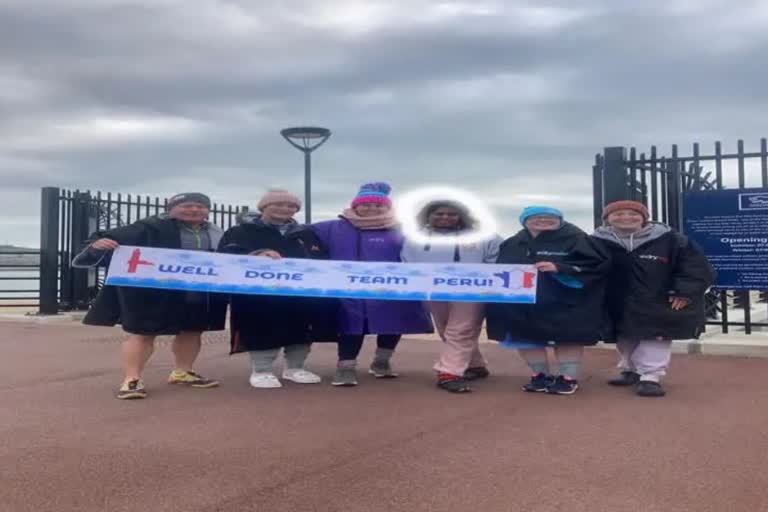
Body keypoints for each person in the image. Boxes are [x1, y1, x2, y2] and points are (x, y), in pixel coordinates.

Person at [72, 192, 226, 400]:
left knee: (192, 331)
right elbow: (105, 239)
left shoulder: (216, 231)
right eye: (187, 205)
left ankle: (183, 372)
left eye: (200, 206)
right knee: (142, 333)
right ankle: (132, 379)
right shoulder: (149, 226)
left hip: (197, 291)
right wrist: (98, 245)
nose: (194, 210)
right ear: (171, 208)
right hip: (153, 291)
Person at [311, 182, 433, 386]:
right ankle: (346, 367)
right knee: (350, 326)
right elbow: (296, 236)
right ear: (355, 205)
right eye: (366, 204)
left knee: (394, 324)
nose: (372, 209)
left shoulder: (403, 230)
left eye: (378, 205)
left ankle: (381, 362)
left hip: (394, 286)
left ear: (388, 207)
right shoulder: (331, 228)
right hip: (348, 288)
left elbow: (426, 250)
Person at [593, 200, 715, 397]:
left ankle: (650, 377)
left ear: (644, 217)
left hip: (659, 298)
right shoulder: (596, 241)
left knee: (656, 337)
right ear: (608, 219)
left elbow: (695, 267)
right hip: (615, 299)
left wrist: (683, 292)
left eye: (633, 213)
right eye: (618, 214)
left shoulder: (672, 240)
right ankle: (631, 370)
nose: (626, 217)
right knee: (624, 337)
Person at [218, 189, 337, 389]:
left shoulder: (306, 233)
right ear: (264, 207)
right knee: (261, 327)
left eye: (291, 206)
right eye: (279, 204)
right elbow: (225, 256)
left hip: (300, 294)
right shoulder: (239, 231)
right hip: (258, 294)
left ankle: (295, 368)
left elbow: (321, 259)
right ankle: (261, 370)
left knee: (301, 329)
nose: (285, 209)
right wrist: (256, 254)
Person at [485, 206, 610, 395]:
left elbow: (599, 264)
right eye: (536, 217)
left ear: (560, 220)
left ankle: (568, 378)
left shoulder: (578, 238)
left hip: (566, 300)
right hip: (523, 302)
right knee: (526, 338)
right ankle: (539, 375)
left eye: (549, 217)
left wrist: (560, 267)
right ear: (524, 221)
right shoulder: (512, 242)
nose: (543, 220)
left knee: (568, 338)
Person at [401, 200, 501, 393]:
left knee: (461, 329)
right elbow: (408, 263)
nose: (445, 217)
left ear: (461, 216)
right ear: (428, 215)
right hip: (432, 289)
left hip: (472, 291)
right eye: (439, 213)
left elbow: (498, 260)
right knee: (446, 329)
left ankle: (449, 372)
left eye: (451, 214)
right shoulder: (415, 238)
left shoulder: (485, 236)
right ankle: (475, 364)